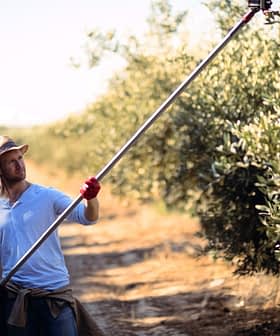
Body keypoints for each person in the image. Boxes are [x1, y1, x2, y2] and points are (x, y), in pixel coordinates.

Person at [0, 135, 104, 336]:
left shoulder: (47, 196)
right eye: (11, 161)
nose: (19, 165)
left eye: (20, 158)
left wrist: (91, 199)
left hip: (54, 297)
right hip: (14, 299)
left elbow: (88, 217)